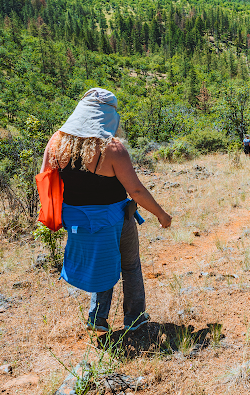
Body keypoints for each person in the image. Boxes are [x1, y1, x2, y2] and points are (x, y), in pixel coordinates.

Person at [41, 88, 172, 333]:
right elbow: (137, 192)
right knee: (130, 265)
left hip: (76, 219)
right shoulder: (112, 149)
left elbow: (46, 179)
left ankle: (97, 317)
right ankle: (134, 318)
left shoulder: (57, 142)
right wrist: (162, 215)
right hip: (114, 218)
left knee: (103, 262)